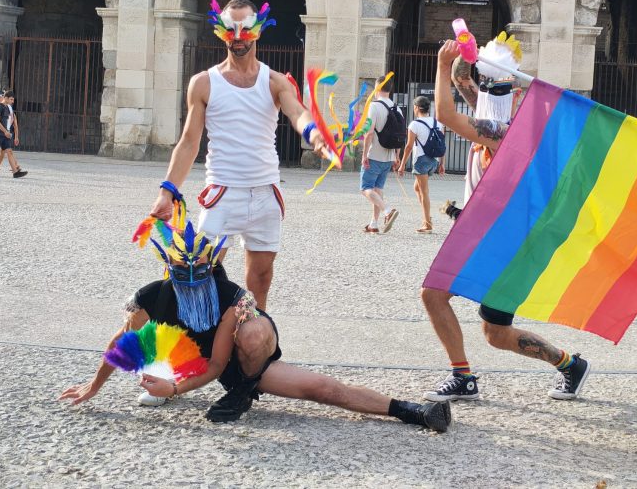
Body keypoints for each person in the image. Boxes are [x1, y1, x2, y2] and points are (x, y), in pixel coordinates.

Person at [59, 214, 451, 432]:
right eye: (185, 275)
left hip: (234, 365)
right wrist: (94, 387)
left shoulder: (232, 298)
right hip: (185, 359)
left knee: (321, 386)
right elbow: (120, 343)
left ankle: (413, 411)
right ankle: (170, 384)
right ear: (171, 271)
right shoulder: (151, 298)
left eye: (203, 273)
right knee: (142, 338)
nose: (195, 283)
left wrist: (176, 390)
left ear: (213, 267)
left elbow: (218, 366)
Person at [421, 35, 591, 403]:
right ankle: (570, 365)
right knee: (495, 333)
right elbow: (464, 84)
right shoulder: (496, 125)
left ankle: (462, 377)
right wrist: (467, 57)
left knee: (433, 294)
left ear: (516, 97)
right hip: (497, 238)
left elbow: (447, 115)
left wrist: (439, 64)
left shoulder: (504, 133)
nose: (485, 93)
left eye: (496, 89)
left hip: (500, 242)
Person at [148, 0, 326, 312]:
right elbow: (189, 141)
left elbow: (297, 112)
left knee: (260, 278)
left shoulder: (274, 81)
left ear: (257, 31)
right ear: (221, 31)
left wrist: (314, 135)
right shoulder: (204, 83)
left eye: (245, 30)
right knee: (196, 273)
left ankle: (254, 344)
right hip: (222, 192)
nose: (239, 38)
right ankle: (200, 343)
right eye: (231, 30)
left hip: (265, 193)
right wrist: (167, 192)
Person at [397, 96, 445, 233]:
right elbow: (442, 144)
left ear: (417, 108)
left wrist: (402, 165)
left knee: (424, 192)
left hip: (421, 160)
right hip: (433, 160)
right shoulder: (438, 123)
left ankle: (427, 223)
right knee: (417, 188)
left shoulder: (414, 124)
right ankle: (426, 215)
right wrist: (442, 164)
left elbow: (408, 147)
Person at [359, 75, 401, 234]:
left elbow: (369, 133)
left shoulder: (374, 106)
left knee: (365, 188)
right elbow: (400, 135)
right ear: (390, 89)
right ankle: (373, 224)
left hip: (374, 154)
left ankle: (387, 211)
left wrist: (364, 155)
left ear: (377, 88)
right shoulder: (396, 107)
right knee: (377, 189)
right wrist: (397, 156)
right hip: (389, 157)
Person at [0, 91, 27, 179]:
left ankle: (15, 170)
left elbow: (15, 124)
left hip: (6, 133)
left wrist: (15, 136)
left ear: (3, 97)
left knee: (7, 151)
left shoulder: (9, 108)